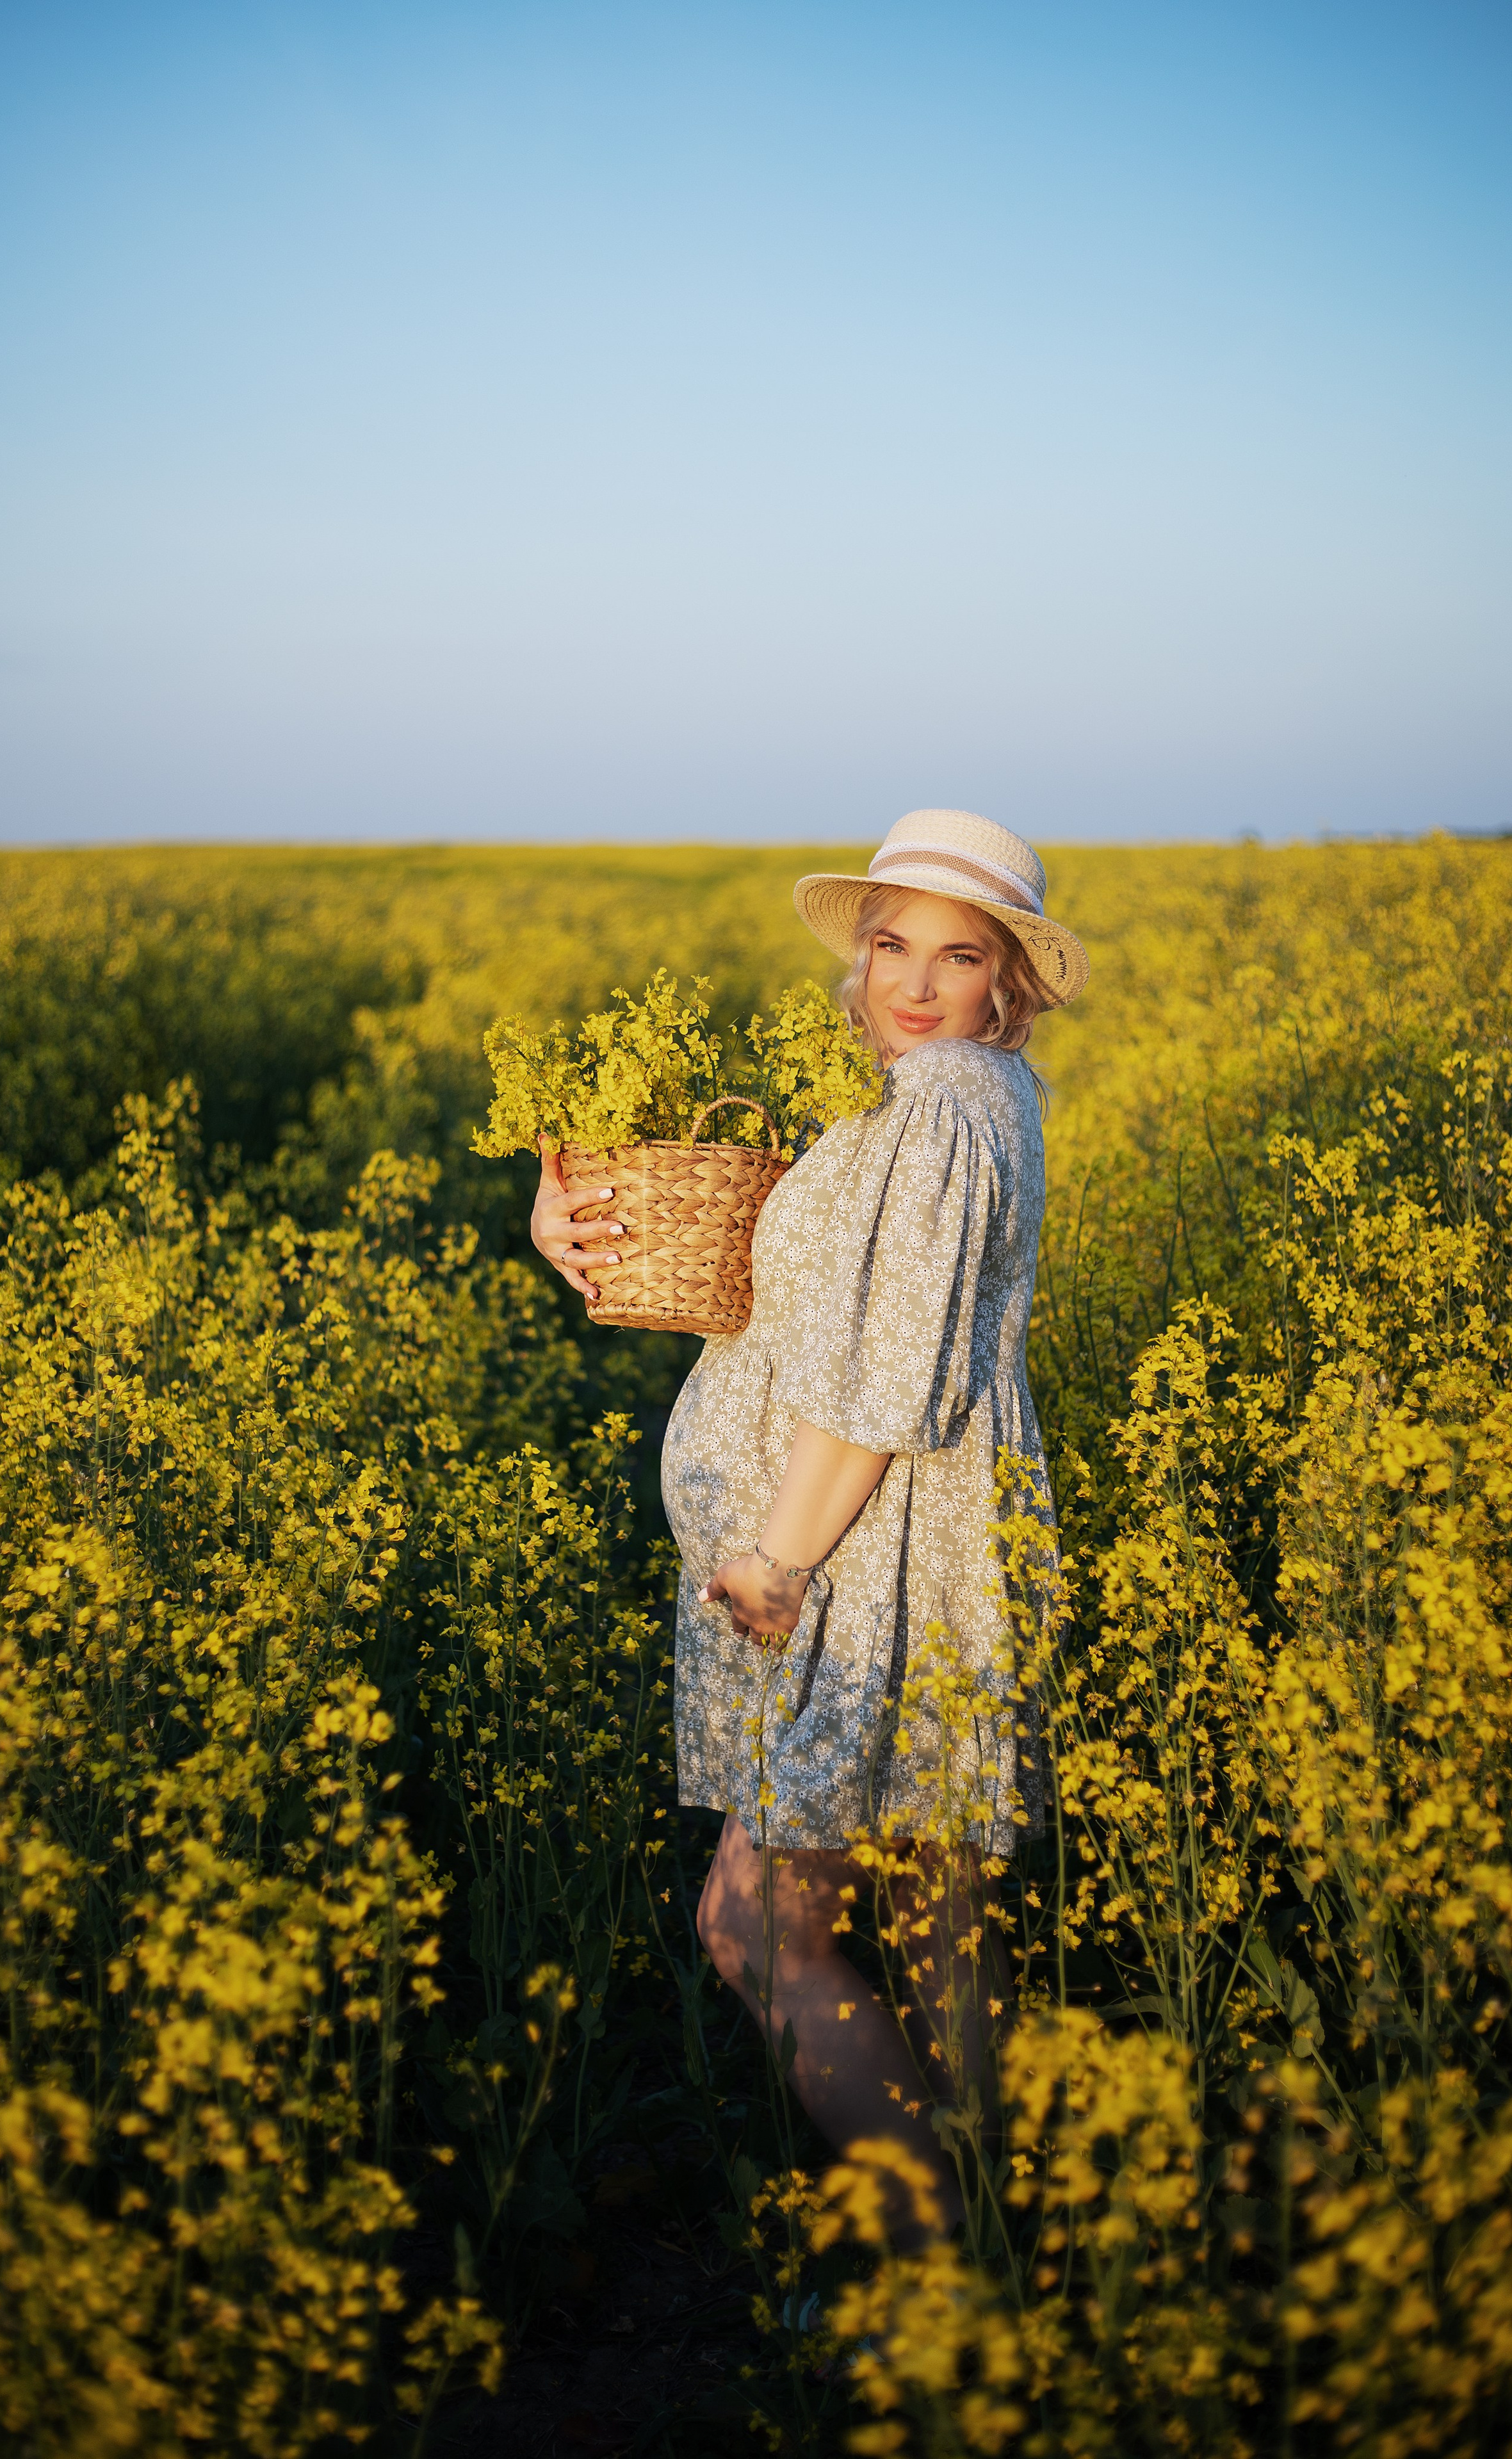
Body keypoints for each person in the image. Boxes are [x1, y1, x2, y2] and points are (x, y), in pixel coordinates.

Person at [530, 808, 1088, 2237]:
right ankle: (1015, 2247)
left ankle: (936, 2251)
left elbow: (882, 1374)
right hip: (921, 1538)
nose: (916, 983)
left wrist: (778, 1560)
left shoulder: (944, 1103)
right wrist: (571, 1212)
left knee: (750, 1928)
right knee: (934, 1918)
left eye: (959, 956)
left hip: (868, 1554)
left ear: (1007, 982)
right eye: (892, 946)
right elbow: (795, 1302)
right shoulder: (953, 1102)